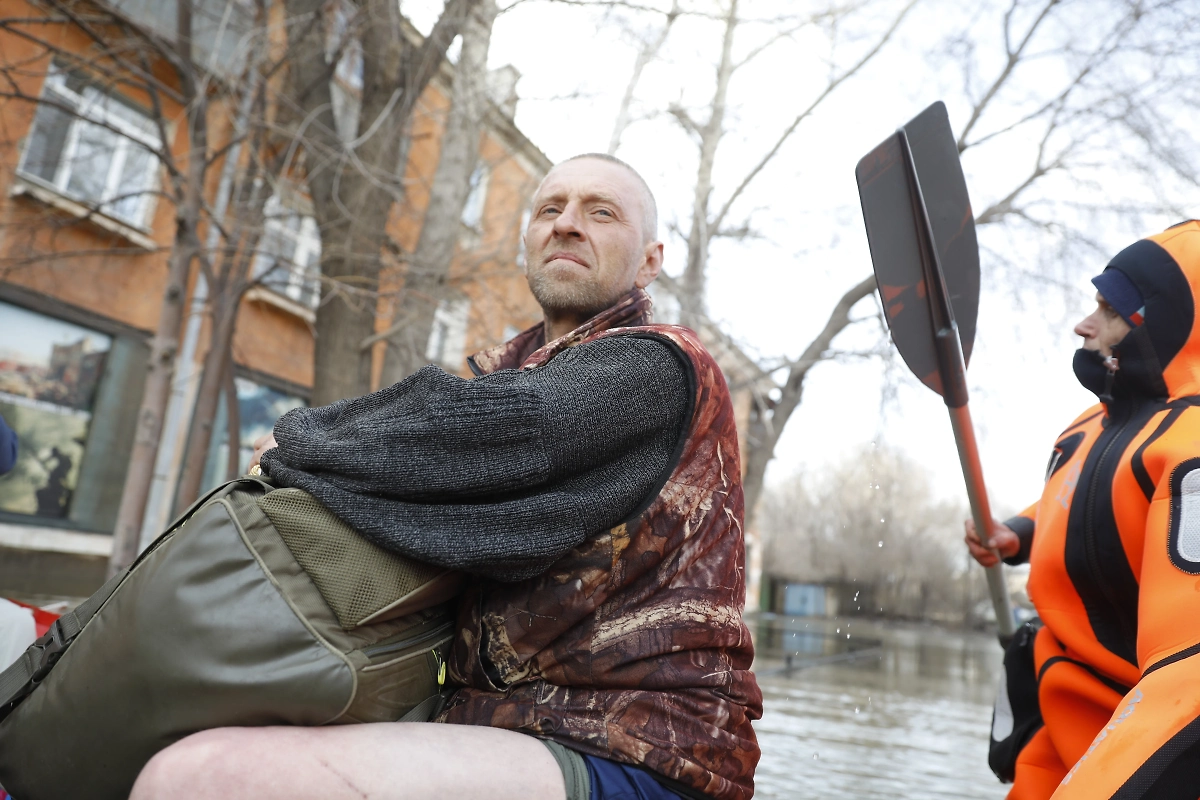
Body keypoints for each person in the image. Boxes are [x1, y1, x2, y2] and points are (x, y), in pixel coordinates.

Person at [130, 154, 763, 800]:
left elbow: (509, 431)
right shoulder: (512, 375)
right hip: (497, 726)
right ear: (527, 243)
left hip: (638, 750)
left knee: (195, 778)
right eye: (550, 208)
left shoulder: (662, 368)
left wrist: (297, 440)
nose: (567, 225)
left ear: (650, 261)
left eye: (601, 212)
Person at [965, 220, 1200, 799]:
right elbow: (1071, 502)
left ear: (1161, 323)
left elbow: (1187, 672)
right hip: (1055, 721)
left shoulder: (1190, 449)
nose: (1084, 324)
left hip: (1129, 744)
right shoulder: (1086, 427)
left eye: (1109, 309)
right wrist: (1014, 534)